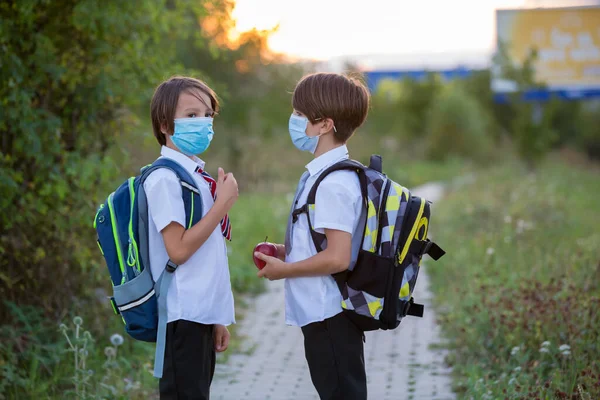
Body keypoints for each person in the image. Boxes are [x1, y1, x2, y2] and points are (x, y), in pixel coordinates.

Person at [254, 72, 371, 400]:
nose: (293, 120)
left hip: (329, 315)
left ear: (324, 125)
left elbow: (337, 257)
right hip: (323, 315)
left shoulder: (333, 183)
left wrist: (284, 271)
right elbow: (323, 241)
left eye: (300, 115)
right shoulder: (323, 175)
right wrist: (283, 251)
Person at [146, 76, 238, 399]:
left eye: (208, 115)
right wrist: (222, 205)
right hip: (179, 317)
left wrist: (216, 318)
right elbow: (179, 249)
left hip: (198, 314)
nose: (203, 123)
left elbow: (208, 255)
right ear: (164, 124)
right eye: (191, 115)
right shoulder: (164, 178)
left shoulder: (195, 176)